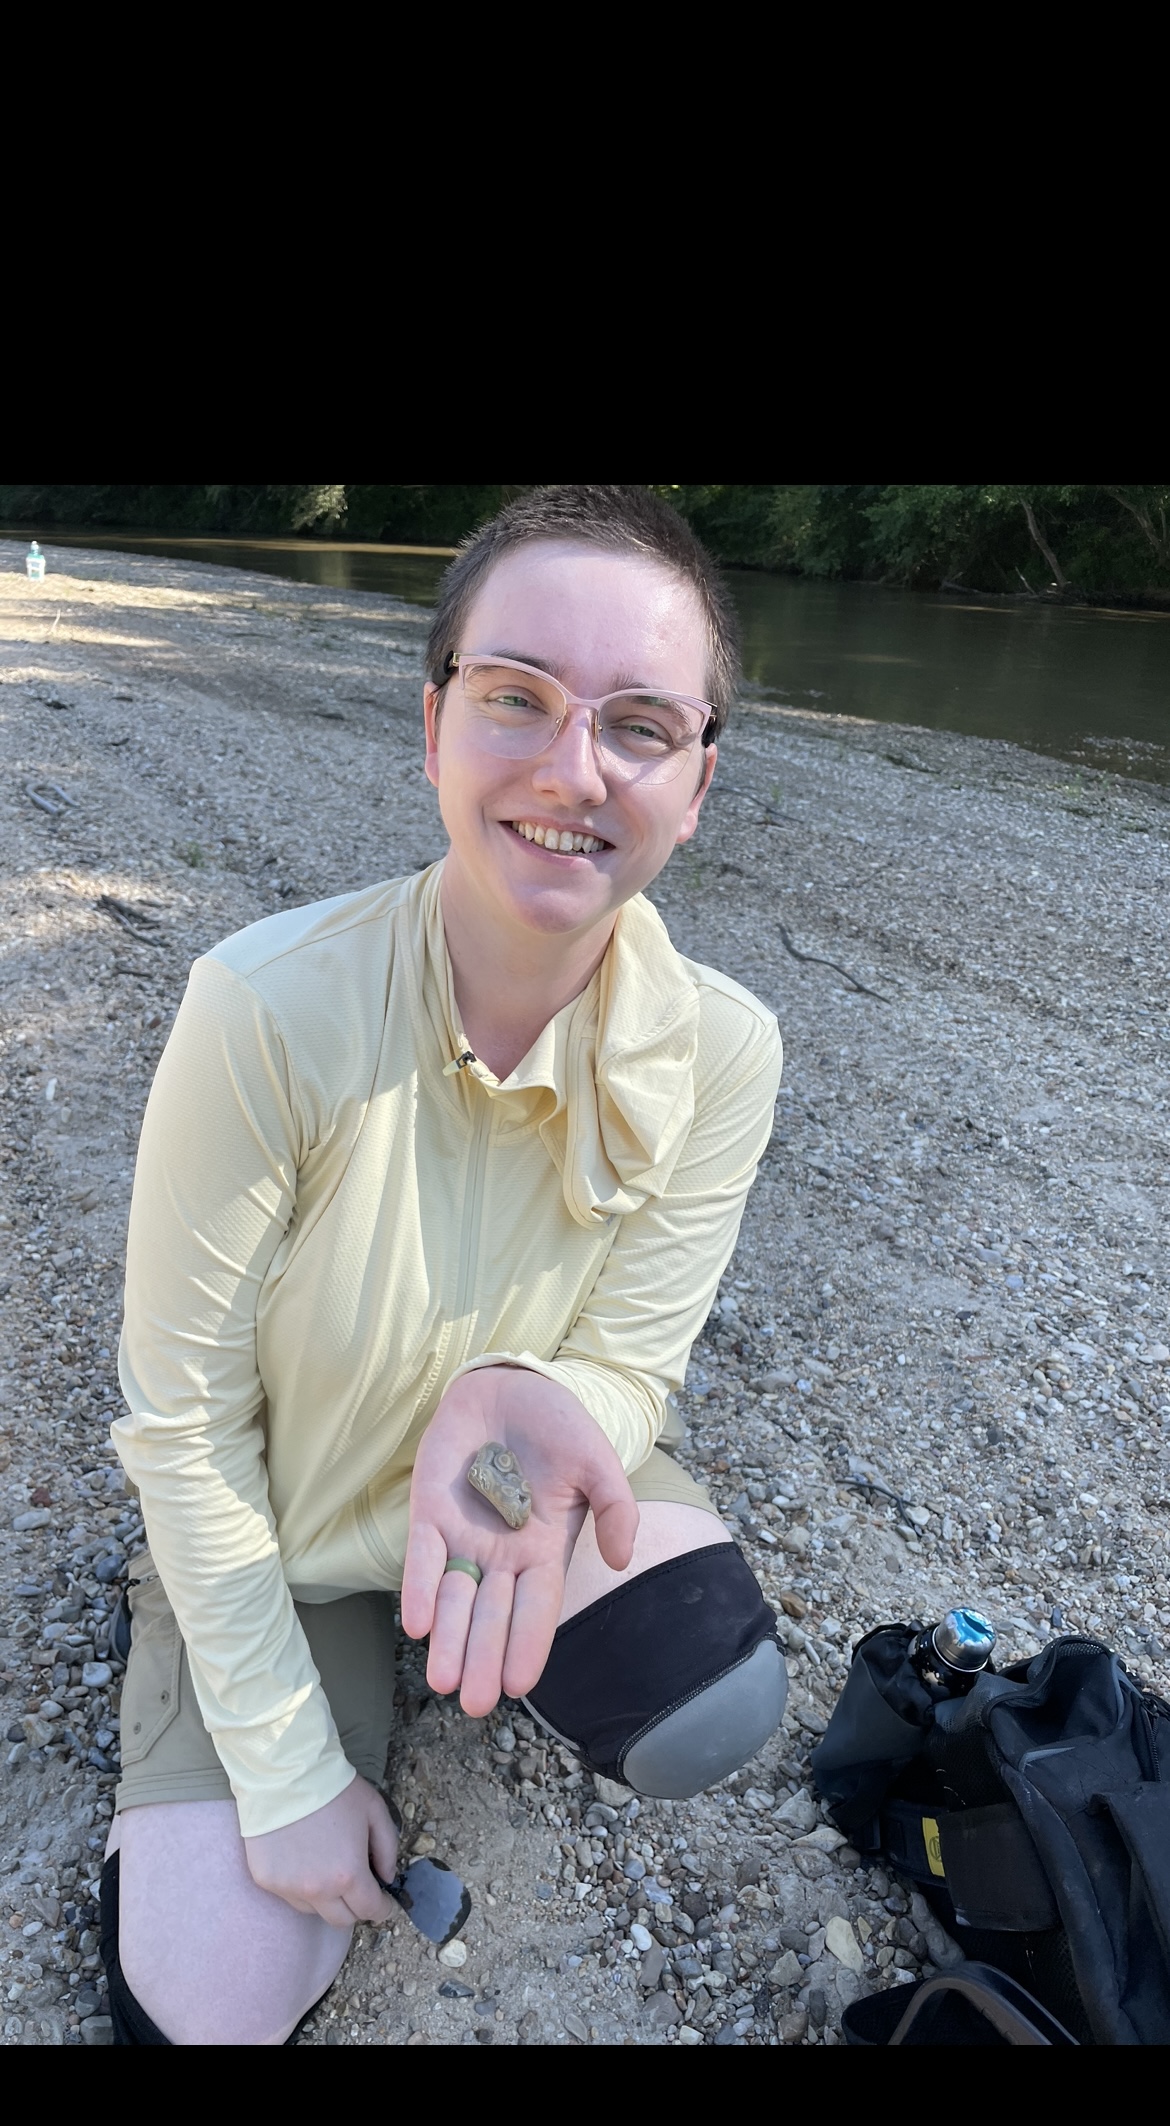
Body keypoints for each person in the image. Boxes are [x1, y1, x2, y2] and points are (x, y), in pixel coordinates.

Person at [100, 486, 787, 2045]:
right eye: (515, 696)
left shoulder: (728, 1048)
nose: (572, 768)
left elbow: (635, 1354)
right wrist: (286, 1769)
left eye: (638, 724)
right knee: (212, 2004)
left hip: (507, 1485)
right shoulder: (262, 1008)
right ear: (432, 726)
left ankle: (452, 1615)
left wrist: (544, 1400)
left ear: (696, 782)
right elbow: (181, 1419)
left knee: (708, 1693)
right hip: (276, 1520)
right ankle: (229, 1656)